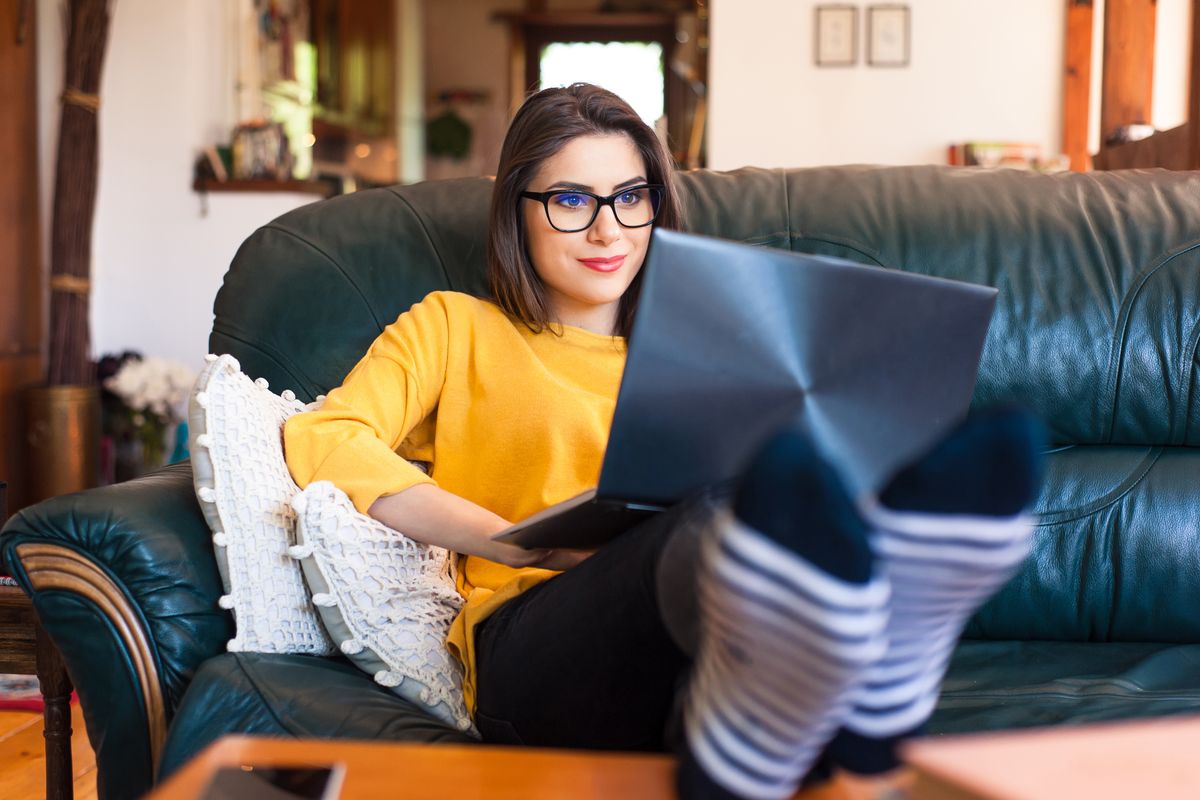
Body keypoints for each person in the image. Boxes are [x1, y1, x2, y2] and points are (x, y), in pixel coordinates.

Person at [283, 83, 1045, 800]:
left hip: (719, 648)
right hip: (536, 646)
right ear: (516, 210)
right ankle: (875, 669)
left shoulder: (712, 350)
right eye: (572, 200)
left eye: (630, 197)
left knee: (777, 514)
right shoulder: (454, 328)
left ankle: (780, 717)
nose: (609, 228)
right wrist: (515, 542)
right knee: (724, 512)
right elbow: (326, 438)